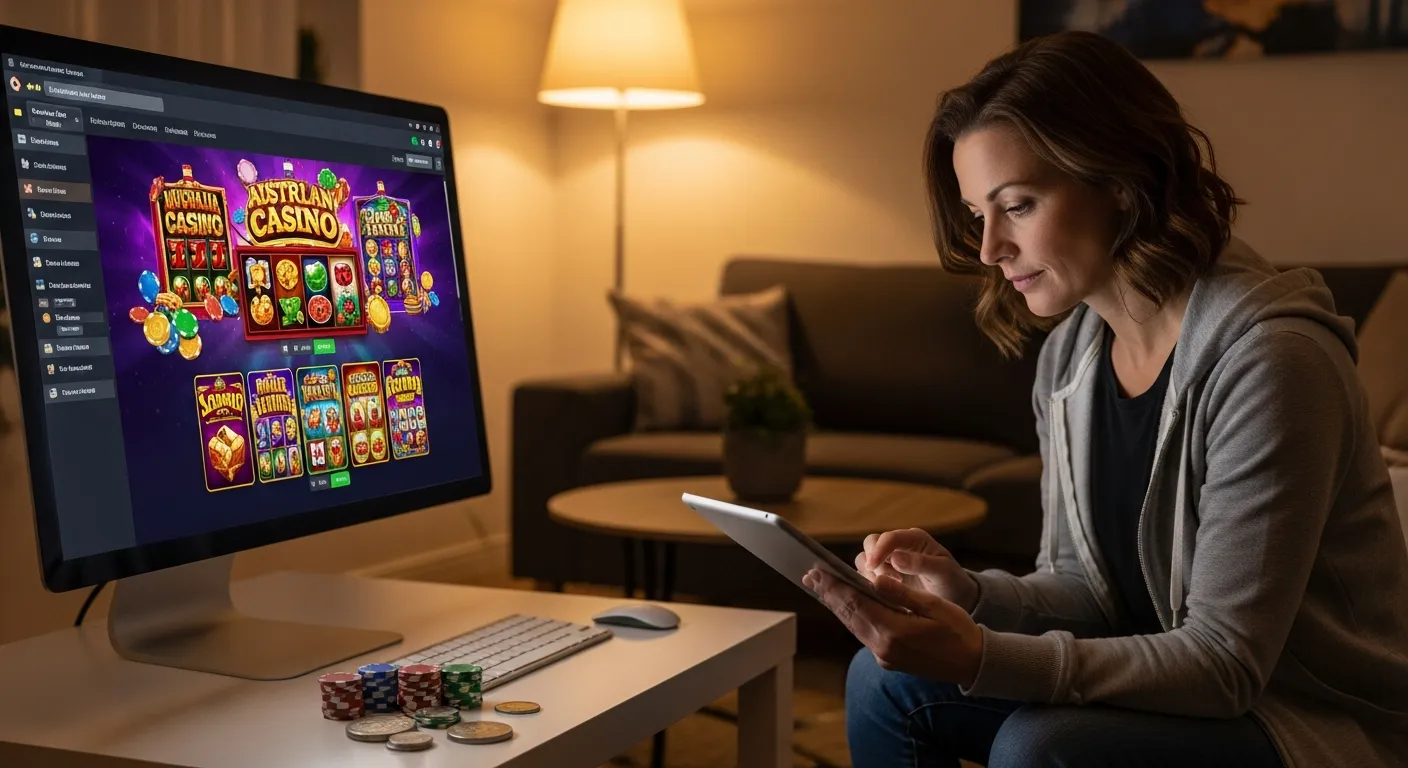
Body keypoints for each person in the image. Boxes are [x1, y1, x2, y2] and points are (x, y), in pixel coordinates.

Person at [800, 30, 1408, 768]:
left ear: (1119, 182)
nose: (989, 249)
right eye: (975, 216)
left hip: (1307, 717)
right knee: (879, 682)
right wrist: (967, 593)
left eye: (1016, 205)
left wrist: (982, 655)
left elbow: (1227, 664)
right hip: (1173, 680)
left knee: (1041, 746)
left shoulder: (1273, 361)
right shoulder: (1070, 357)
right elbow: (1087, 586)